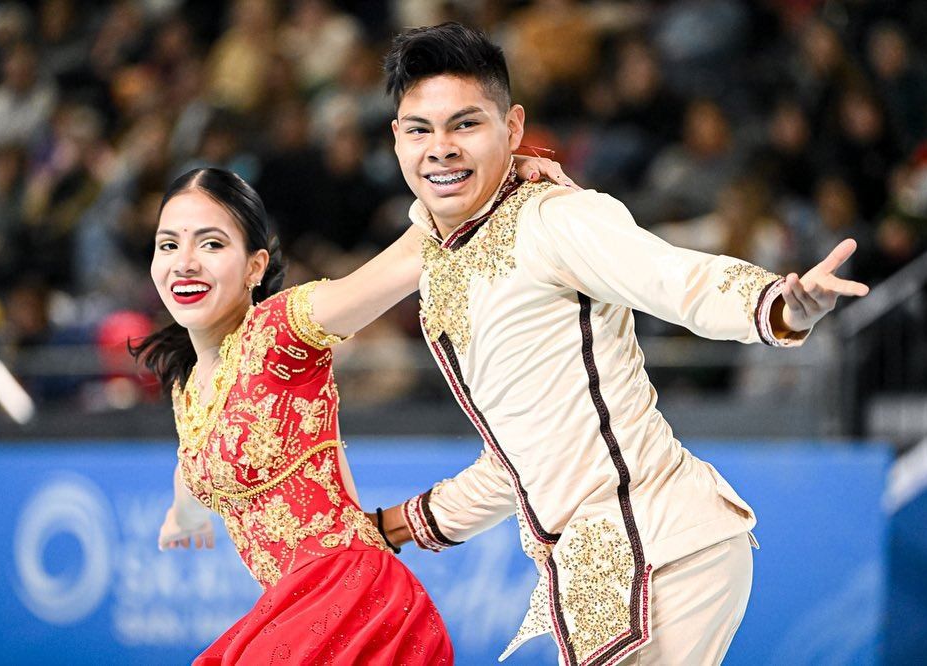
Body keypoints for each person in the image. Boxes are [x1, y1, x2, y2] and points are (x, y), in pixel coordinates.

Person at [371, 23, 869, 666]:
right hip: (609, 573)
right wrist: (397, 526)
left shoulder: (556, 218)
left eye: (465, 125)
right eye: (420, 129)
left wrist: (777, 301)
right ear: (396, 140)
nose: (441, 148)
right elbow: (523, 461)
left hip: (664, 554)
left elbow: (675, 279)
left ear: (513, 128)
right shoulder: (444, 268)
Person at [135, 158, 567, 665]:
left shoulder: (280, 332)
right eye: (170, 244)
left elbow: (410, 256)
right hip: (299, 613)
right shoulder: (187, 389)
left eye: (211, 244)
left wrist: (494, 177)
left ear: (254, 267)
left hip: (357, 601)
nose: (185, 262)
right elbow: (192, 470)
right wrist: (181, 519)